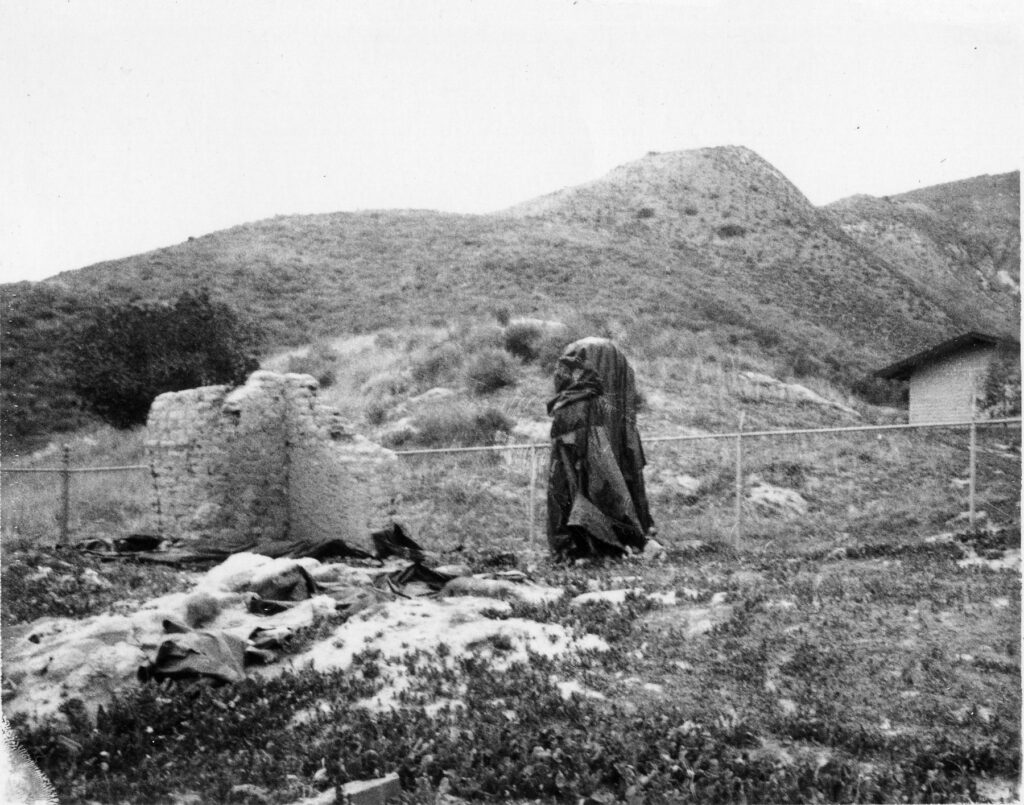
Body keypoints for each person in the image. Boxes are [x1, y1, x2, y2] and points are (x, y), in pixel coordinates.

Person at [546, 338, 654, 558]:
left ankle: (582, 544)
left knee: (577, 489)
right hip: (592, 464)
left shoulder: (571, 405)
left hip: (586, 469)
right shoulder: (598, 407)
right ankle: (612, 541)